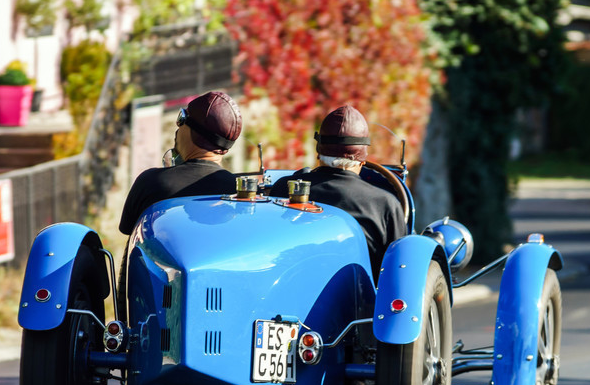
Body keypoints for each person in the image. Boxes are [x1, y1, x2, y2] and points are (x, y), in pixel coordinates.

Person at [269, 104, 405, 274]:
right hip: (358, 298)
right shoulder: (385, 204)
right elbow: (398, 268)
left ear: (318, 151)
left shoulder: (284, 188)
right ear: (362, 158)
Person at [119, 90, 242, 235]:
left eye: (182, 118)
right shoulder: (242, 194)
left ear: (193, 130)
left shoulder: (150, 183)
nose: (177, 128)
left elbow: (129, 233)